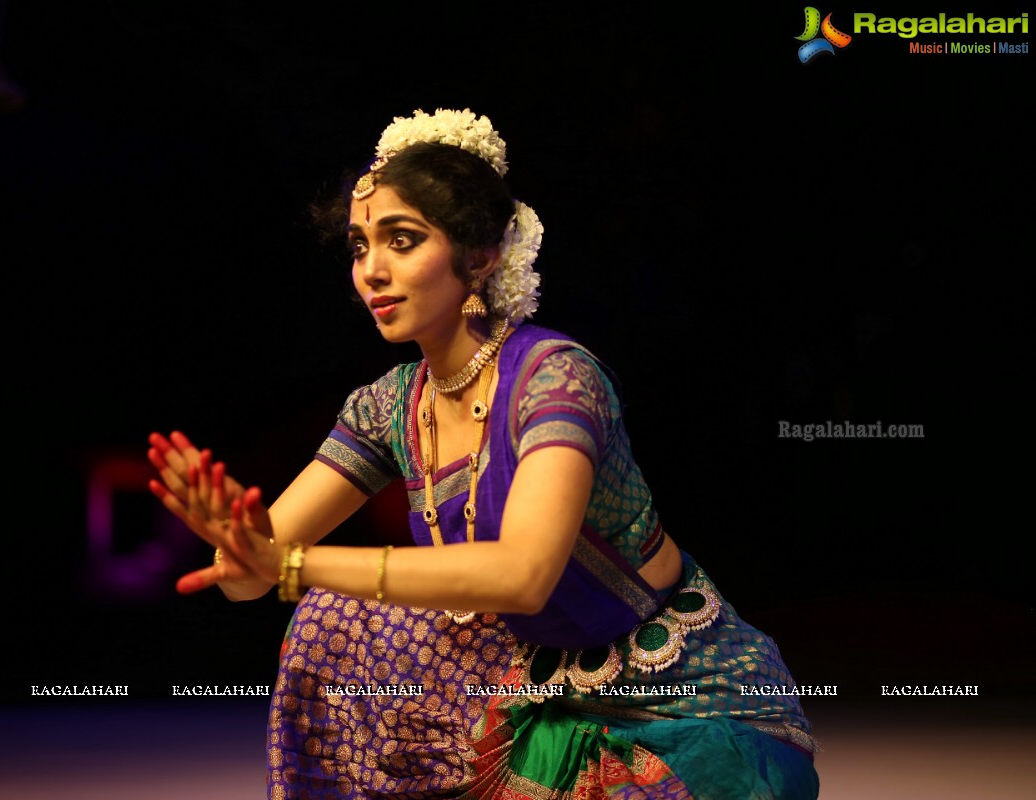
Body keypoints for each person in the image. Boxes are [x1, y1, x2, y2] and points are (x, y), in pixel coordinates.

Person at [147, 109, 820, 799]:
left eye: (402, 241)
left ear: (480, 255)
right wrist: (237, 547)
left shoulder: (555, 377)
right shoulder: (386, 406)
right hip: (534, 709)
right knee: (332, 623)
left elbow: (523, 576)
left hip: (692, 718)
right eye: (358, 247)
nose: (371, 272)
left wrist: (291, 565)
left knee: (331, 596)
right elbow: (253, 578)